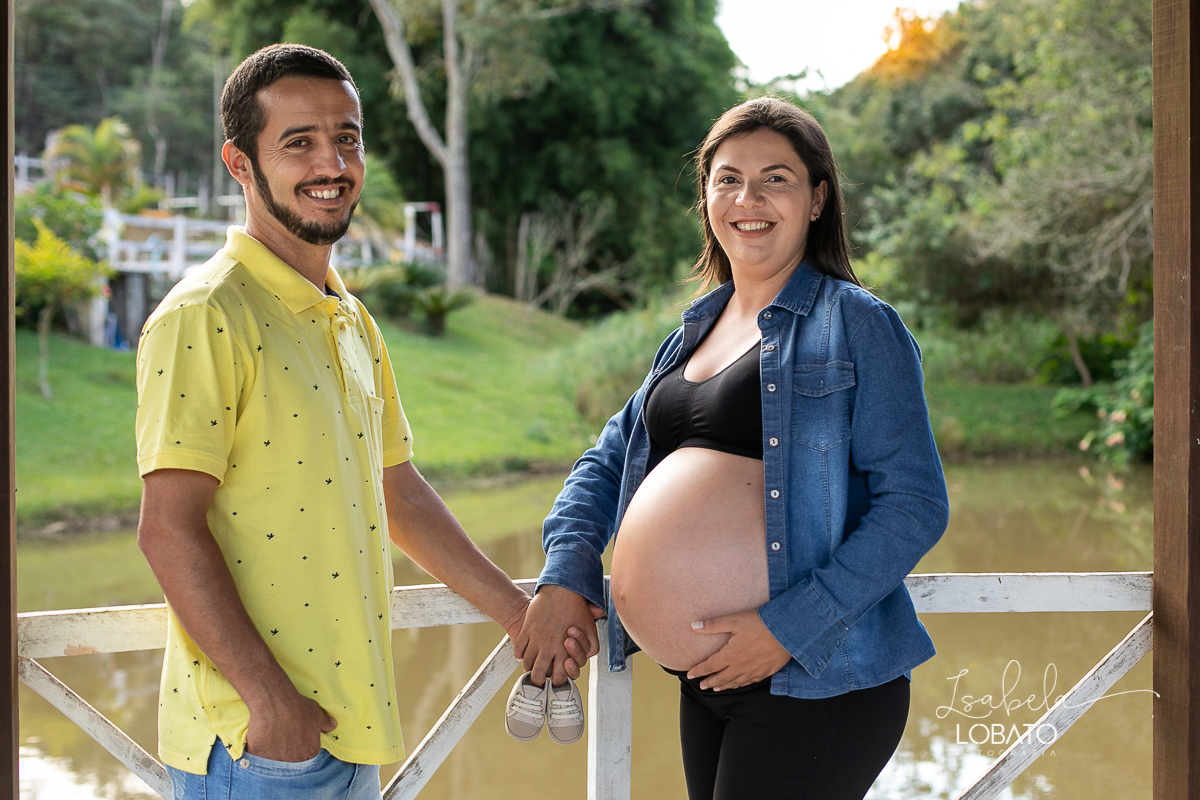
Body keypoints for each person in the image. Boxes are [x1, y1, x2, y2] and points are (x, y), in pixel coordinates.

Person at [513, 96, 950, 800]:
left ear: (817, 199)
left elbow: (915, 505)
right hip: (711, 685)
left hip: (812, 681)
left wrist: (790, 629)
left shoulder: (858, 324)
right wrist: (567, 571)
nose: (749, 198)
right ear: (707, 197)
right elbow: (605, 461)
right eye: (727, 179)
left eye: (776, 178)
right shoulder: (696, 329)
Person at [134, 44, 532, 800]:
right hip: (256, 747)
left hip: (347, 731)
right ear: (240, 163)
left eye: (346, 138)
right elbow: (167, 529)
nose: (332, 163)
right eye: (299, 142)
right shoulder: (204, 314)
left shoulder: (349, 316)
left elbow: (398, 492)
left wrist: (517, 612)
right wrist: (271, 704)